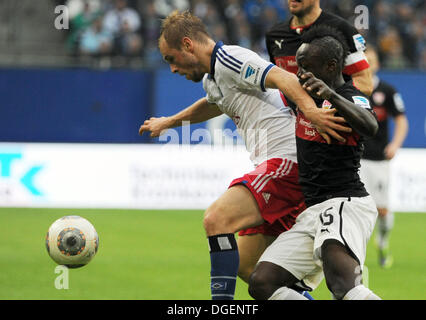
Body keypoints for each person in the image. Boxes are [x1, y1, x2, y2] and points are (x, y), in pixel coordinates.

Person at [138, 11, 350, 300]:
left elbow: (285, 79)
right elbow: (214, 103)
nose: (173, 69)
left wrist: (312, 113)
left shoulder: (231, 59)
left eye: (170, 59)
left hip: (288, 160)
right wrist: (169, 122)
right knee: (251, 268)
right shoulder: (213, 78)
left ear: (188, 45)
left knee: (217, 219)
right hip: (278, 165)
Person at [248, 25, 381, 300]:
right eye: (299, 66)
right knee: (262, 282)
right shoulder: (302, 97)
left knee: (342, 285)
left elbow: (370, 125)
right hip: (311, 212)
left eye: (307, 67)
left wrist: (331, 95)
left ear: (331, 66)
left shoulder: (348, 95)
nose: (300, 73)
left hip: (344, 203)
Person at [360, 47, 408, 268]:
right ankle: (354, 253)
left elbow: (401, 120)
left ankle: (382, 241)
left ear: (378, 64)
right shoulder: (353, 89)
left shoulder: (387, 91)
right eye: (365, 60)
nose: (368, 64)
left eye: (372, 60)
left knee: (382, 210)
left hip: (379, 160)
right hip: (355, 159)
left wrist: (395, 144)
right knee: (356, 208)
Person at [266, 0, 373, 96]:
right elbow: (275, 82)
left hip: (329, 114)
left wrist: (330, 101)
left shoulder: (342, 29)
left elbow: (365, 84)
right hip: (289, 116)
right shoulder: (274, 35)